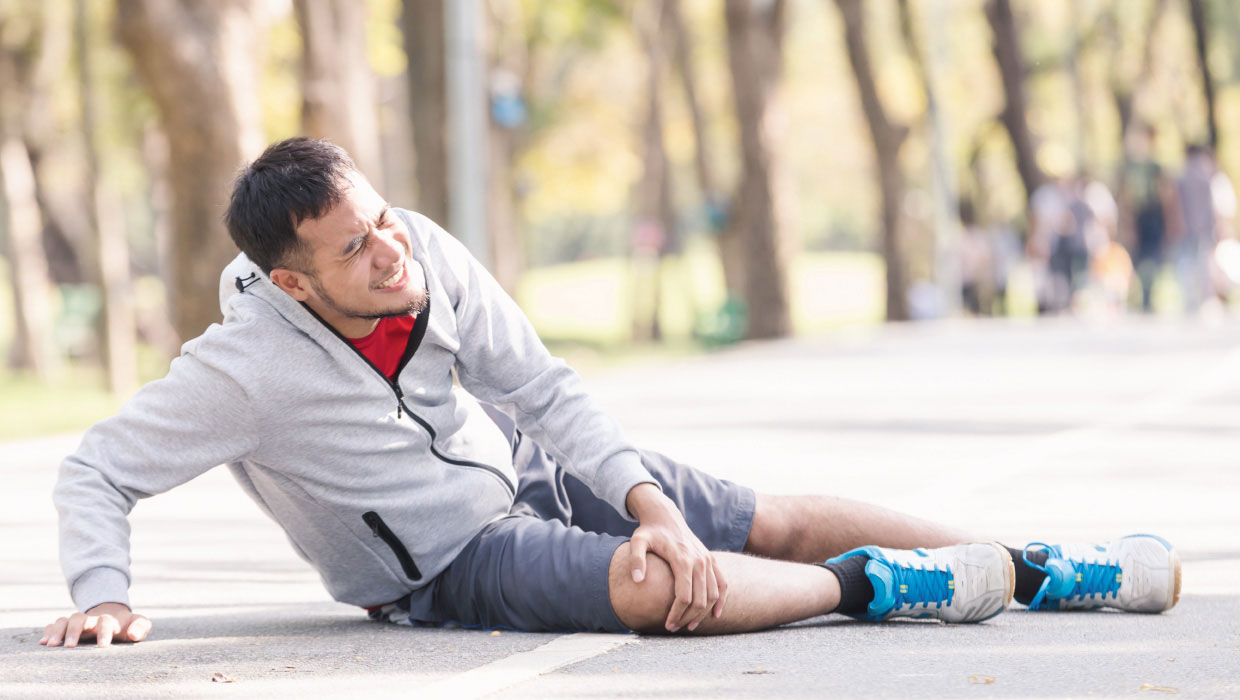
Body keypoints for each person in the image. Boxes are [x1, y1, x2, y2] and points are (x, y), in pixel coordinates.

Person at [41, 139, 1181, 648]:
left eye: (383, 220)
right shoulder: (241, 368)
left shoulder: (421, 251)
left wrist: (648, 498)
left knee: (727, 517)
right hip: (444, 561)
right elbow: (97, 465)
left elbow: (538, 384)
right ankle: (866, 587)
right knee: (649, 589)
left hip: (520, 465)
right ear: (292, 279)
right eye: (354, 249)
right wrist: (101, 589)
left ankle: (1036, 562)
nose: (388, 253)